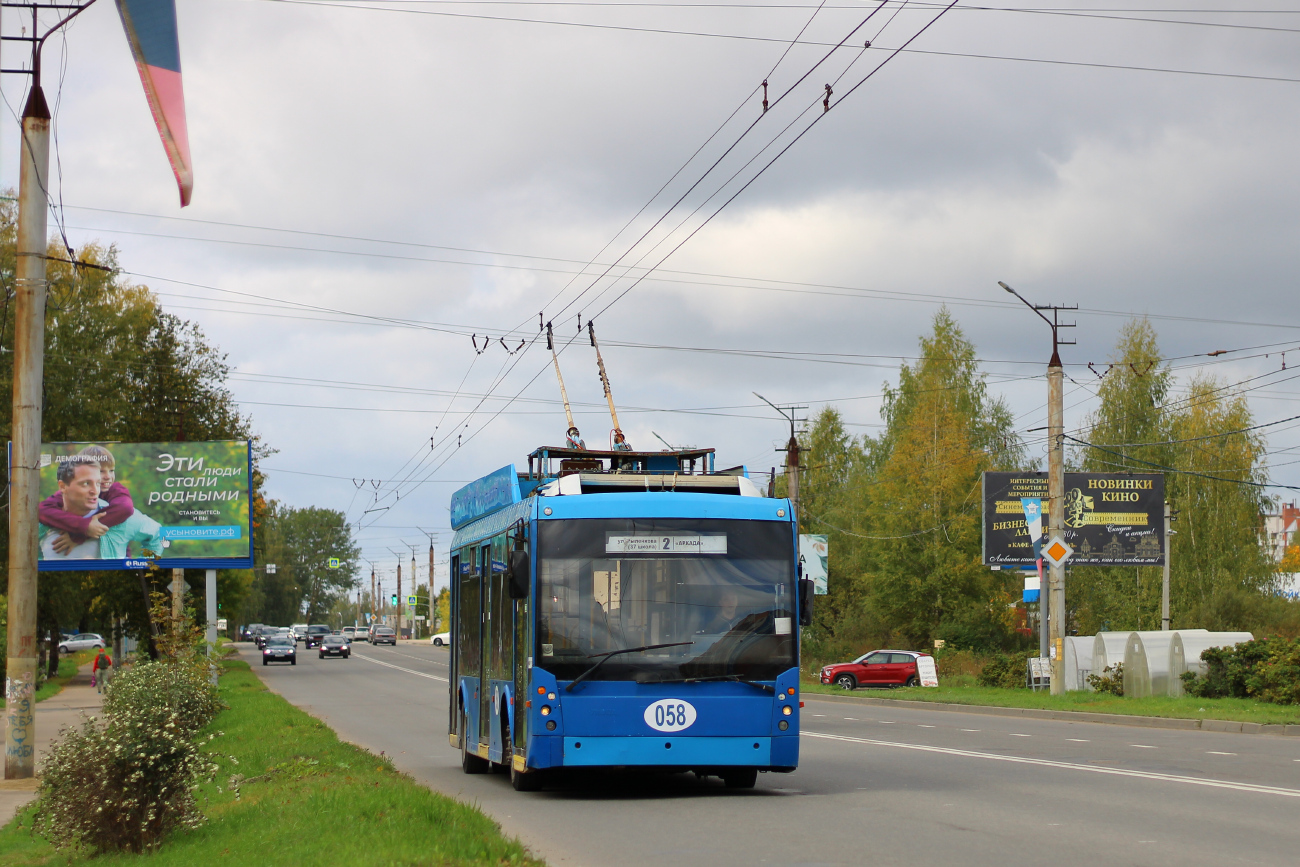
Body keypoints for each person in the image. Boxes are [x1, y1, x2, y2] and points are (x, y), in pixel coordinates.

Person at [40, 445, 135, 556]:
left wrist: (80, 534)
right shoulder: (70, 492)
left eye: (111, 470)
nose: (108, 476)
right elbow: (42, 510)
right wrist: (84, 525)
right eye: (101, 471)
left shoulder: (115, 489)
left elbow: (125, 508)